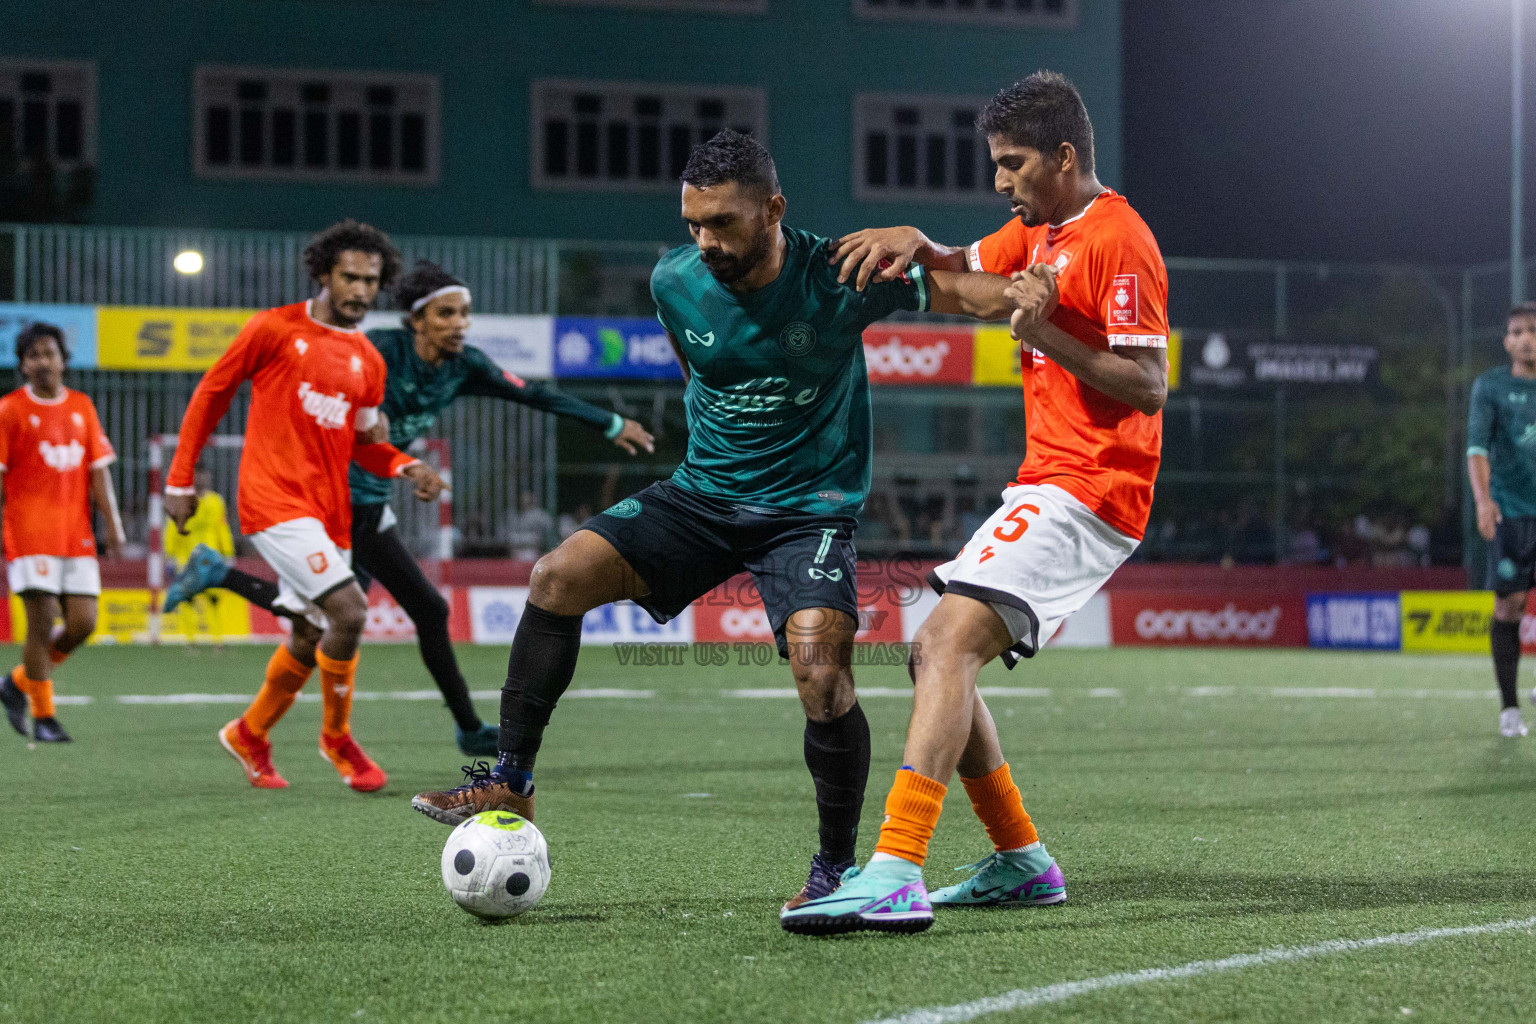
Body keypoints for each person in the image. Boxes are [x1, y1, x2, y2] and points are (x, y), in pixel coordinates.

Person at [409, 129, 1015, 911]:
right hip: (701, 497)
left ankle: (835, 868)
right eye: (693, 223)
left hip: (808, 514)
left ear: (773, 208)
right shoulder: (675, 279)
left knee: (821, 674)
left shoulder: (840, 274)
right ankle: (512, 782)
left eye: (723, 223)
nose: (706, 241)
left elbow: (973, 295)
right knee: (556, 576)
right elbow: (699, 366)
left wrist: (1034, 295)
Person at [782, 71, 1169, 935]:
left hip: (1094, 488)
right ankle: (1020, 858)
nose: (1000, 181)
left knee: (945, 640)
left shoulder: (1118, 239)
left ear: (1064, 156)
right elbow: (960, 269)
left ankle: (893, 869)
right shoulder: (1037, 231)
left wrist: (1047, 337)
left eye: (1013, 163)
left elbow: (1149, 386)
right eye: (995, 163)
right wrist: (914, 241)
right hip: (1048, 483)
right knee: (933, 655)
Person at [162, 261, 652, 755]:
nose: (460, 323)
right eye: (447, 313)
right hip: (334, 503)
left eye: (465, 313)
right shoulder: (374, 352)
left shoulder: (465, 365)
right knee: (355, 616)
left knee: (346, 617)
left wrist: (609, 423)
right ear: (416, 319)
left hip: (373, 504)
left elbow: (534, 395)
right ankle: (345, 733)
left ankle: (242, 653)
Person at [164, 220, 446, 791]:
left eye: (371, 281)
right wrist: (179, 478)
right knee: (349, 613)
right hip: (271, 501)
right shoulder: (272, 329)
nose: (361, 291)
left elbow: (366, 446)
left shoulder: (367, 360)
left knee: (309, 632)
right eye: (349, 277)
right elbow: (211, 394)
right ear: (323, 273)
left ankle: (250, 732)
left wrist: (405, 465)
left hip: (327, 511)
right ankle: (337, 739)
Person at [0, 322, 125, 743]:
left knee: (83, 623)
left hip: (76, 534)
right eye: (33, 355)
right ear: (22, 366)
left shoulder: (82, 406)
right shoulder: (9, 411)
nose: (42, 362)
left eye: (49, 353)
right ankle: (45, 716)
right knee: (41, 623)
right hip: (27, 532)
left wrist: (112, 524)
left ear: (63, 360)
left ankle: (17, 682)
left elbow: (98, 474)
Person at [1468, 301, 1536, 738]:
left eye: (1533, 329)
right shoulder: (1490, 386)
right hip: (1512, 511)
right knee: (1509, 606)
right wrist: (1482, 501)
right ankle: (1510, 708)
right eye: (1517, 331)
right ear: (1507, 341)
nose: (1526, 337)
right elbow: (1477, 448)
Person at [163, 462, 235, 644]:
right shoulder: (182, 500)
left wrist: (228, 553)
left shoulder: (216, 501)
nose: (201, 478)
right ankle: (190, 641)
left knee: (214, 599)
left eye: (204, 474)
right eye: (197, 475)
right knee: (187, 599)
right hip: (186, 556)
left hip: (211, 557)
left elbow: (222, 528)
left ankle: (218, 641)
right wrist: (170, 554)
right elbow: (172, 528)